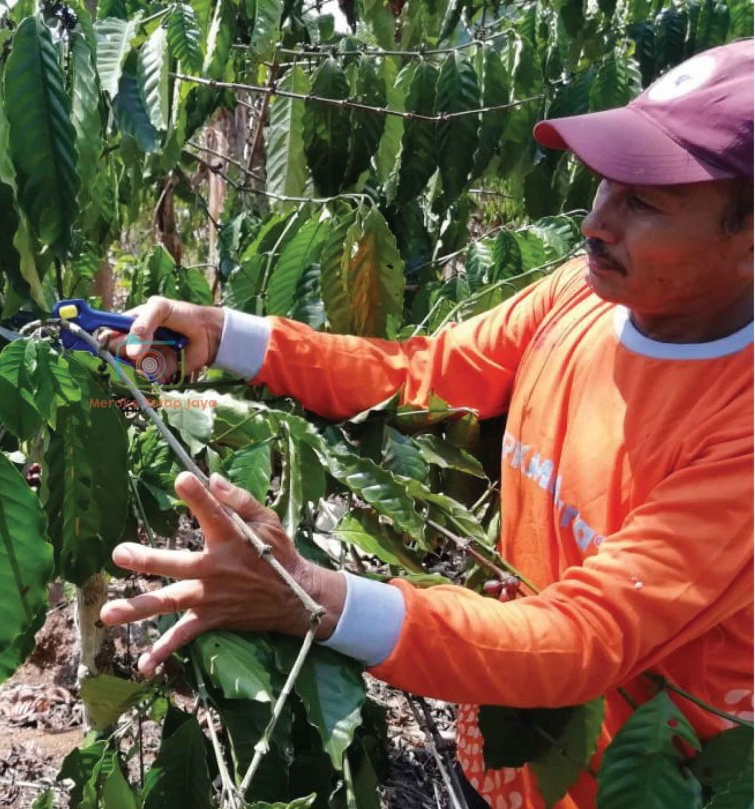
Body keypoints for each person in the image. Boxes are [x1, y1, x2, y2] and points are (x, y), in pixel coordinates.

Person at [99, 40, 754, 809]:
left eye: (646, 201)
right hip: (508, 744)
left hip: (639, 781)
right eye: (607, 181)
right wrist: (228, 333)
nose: (596, 221)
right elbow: (424, 374)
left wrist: (309, 593)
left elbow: (584, 637)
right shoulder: (583, 296)